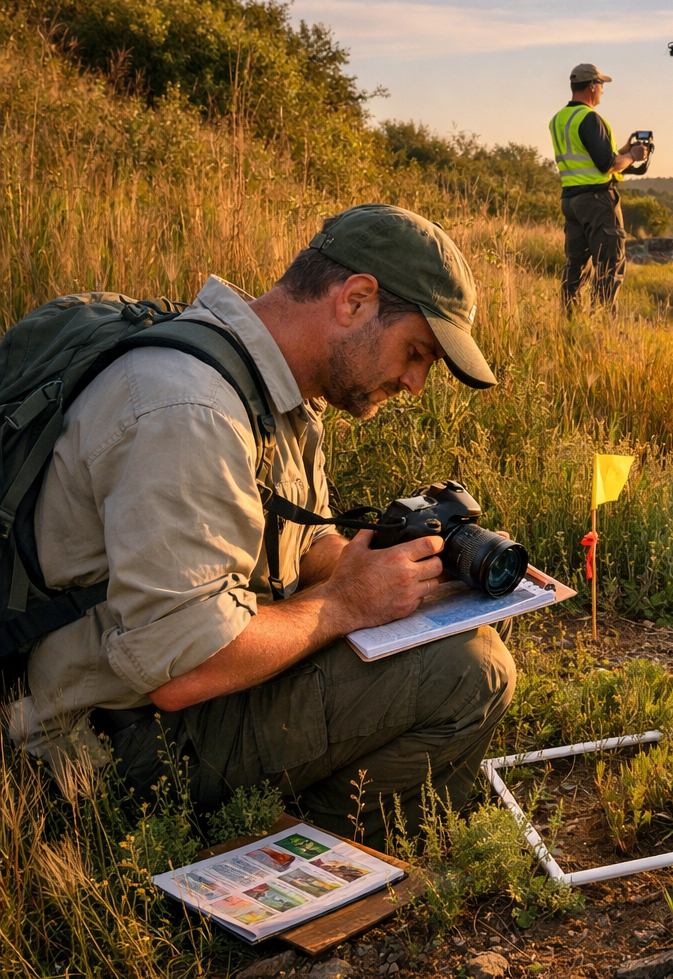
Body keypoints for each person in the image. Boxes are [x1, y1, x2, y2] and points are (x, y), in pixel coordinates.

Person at [5, 204, 515, 848]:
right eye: (416, 352)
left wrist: (424, 576)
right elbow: (185, 670)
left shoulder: (271, 386)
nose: (415, 383)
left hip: (167, 694)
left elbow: (298, 551)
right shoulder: (190, 411)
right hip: (106, 742)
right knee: (469, 670)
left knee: (449, 638)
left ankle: (293, 834)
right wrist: (343, 605)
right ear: (355, 300)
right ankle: (283, 853)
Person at [550, 62, 651, 312]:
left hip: (571, 201)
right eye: (601, 85)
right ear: (592, 87)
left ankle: (572, 324)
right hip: (597, 201)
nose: (603, 90)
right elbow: (607, 164)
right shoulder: (589, 118)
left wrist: (623, 152)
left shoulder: (559, 120)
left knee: (575, 267)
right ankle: (603, 328)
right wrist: (634, 155)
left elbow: (589, 159)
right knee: (609, 265)